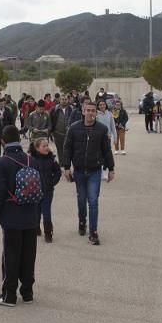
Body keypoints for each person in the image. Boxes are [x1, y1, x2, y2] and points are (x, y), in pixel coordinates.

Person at [0, 125, 41, 307]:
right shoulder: (31, 160)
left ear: (2, 141)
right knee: (29, 254)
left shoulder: (2, 163)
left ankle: (9, 295)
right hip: (31, 215)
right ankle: (27, 292)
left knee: (11, 256)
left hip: (11, 216)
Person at [61, 100, 115, 246]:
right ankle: (82, 221)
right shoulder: (73, 128)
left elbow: (107, 150)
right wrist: (66, 167)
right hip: (78, 171)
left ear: (96, 113)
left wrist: (111, 168)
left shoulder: (102, 129)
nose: (90, 113)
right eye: (88, 110)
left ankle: (93, 231)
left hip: (94, 171)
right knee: (81, 200)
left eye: (93, 111)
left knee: (93, 201)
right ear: (83, 111)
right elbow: (67, 148)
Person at [29, 136, 62, 242]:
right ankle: (36, 228)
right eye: (44, 146)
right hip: (35, 191)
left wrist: (52, 182)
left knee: (46, 211)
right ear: (37, 148)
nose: (47, 147)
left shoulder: (51, 159)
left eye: (47, 145)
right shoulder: (32, 160)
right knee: (36, 210)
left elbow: (57, 172)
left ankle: (48, 233)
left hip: (48, 190)